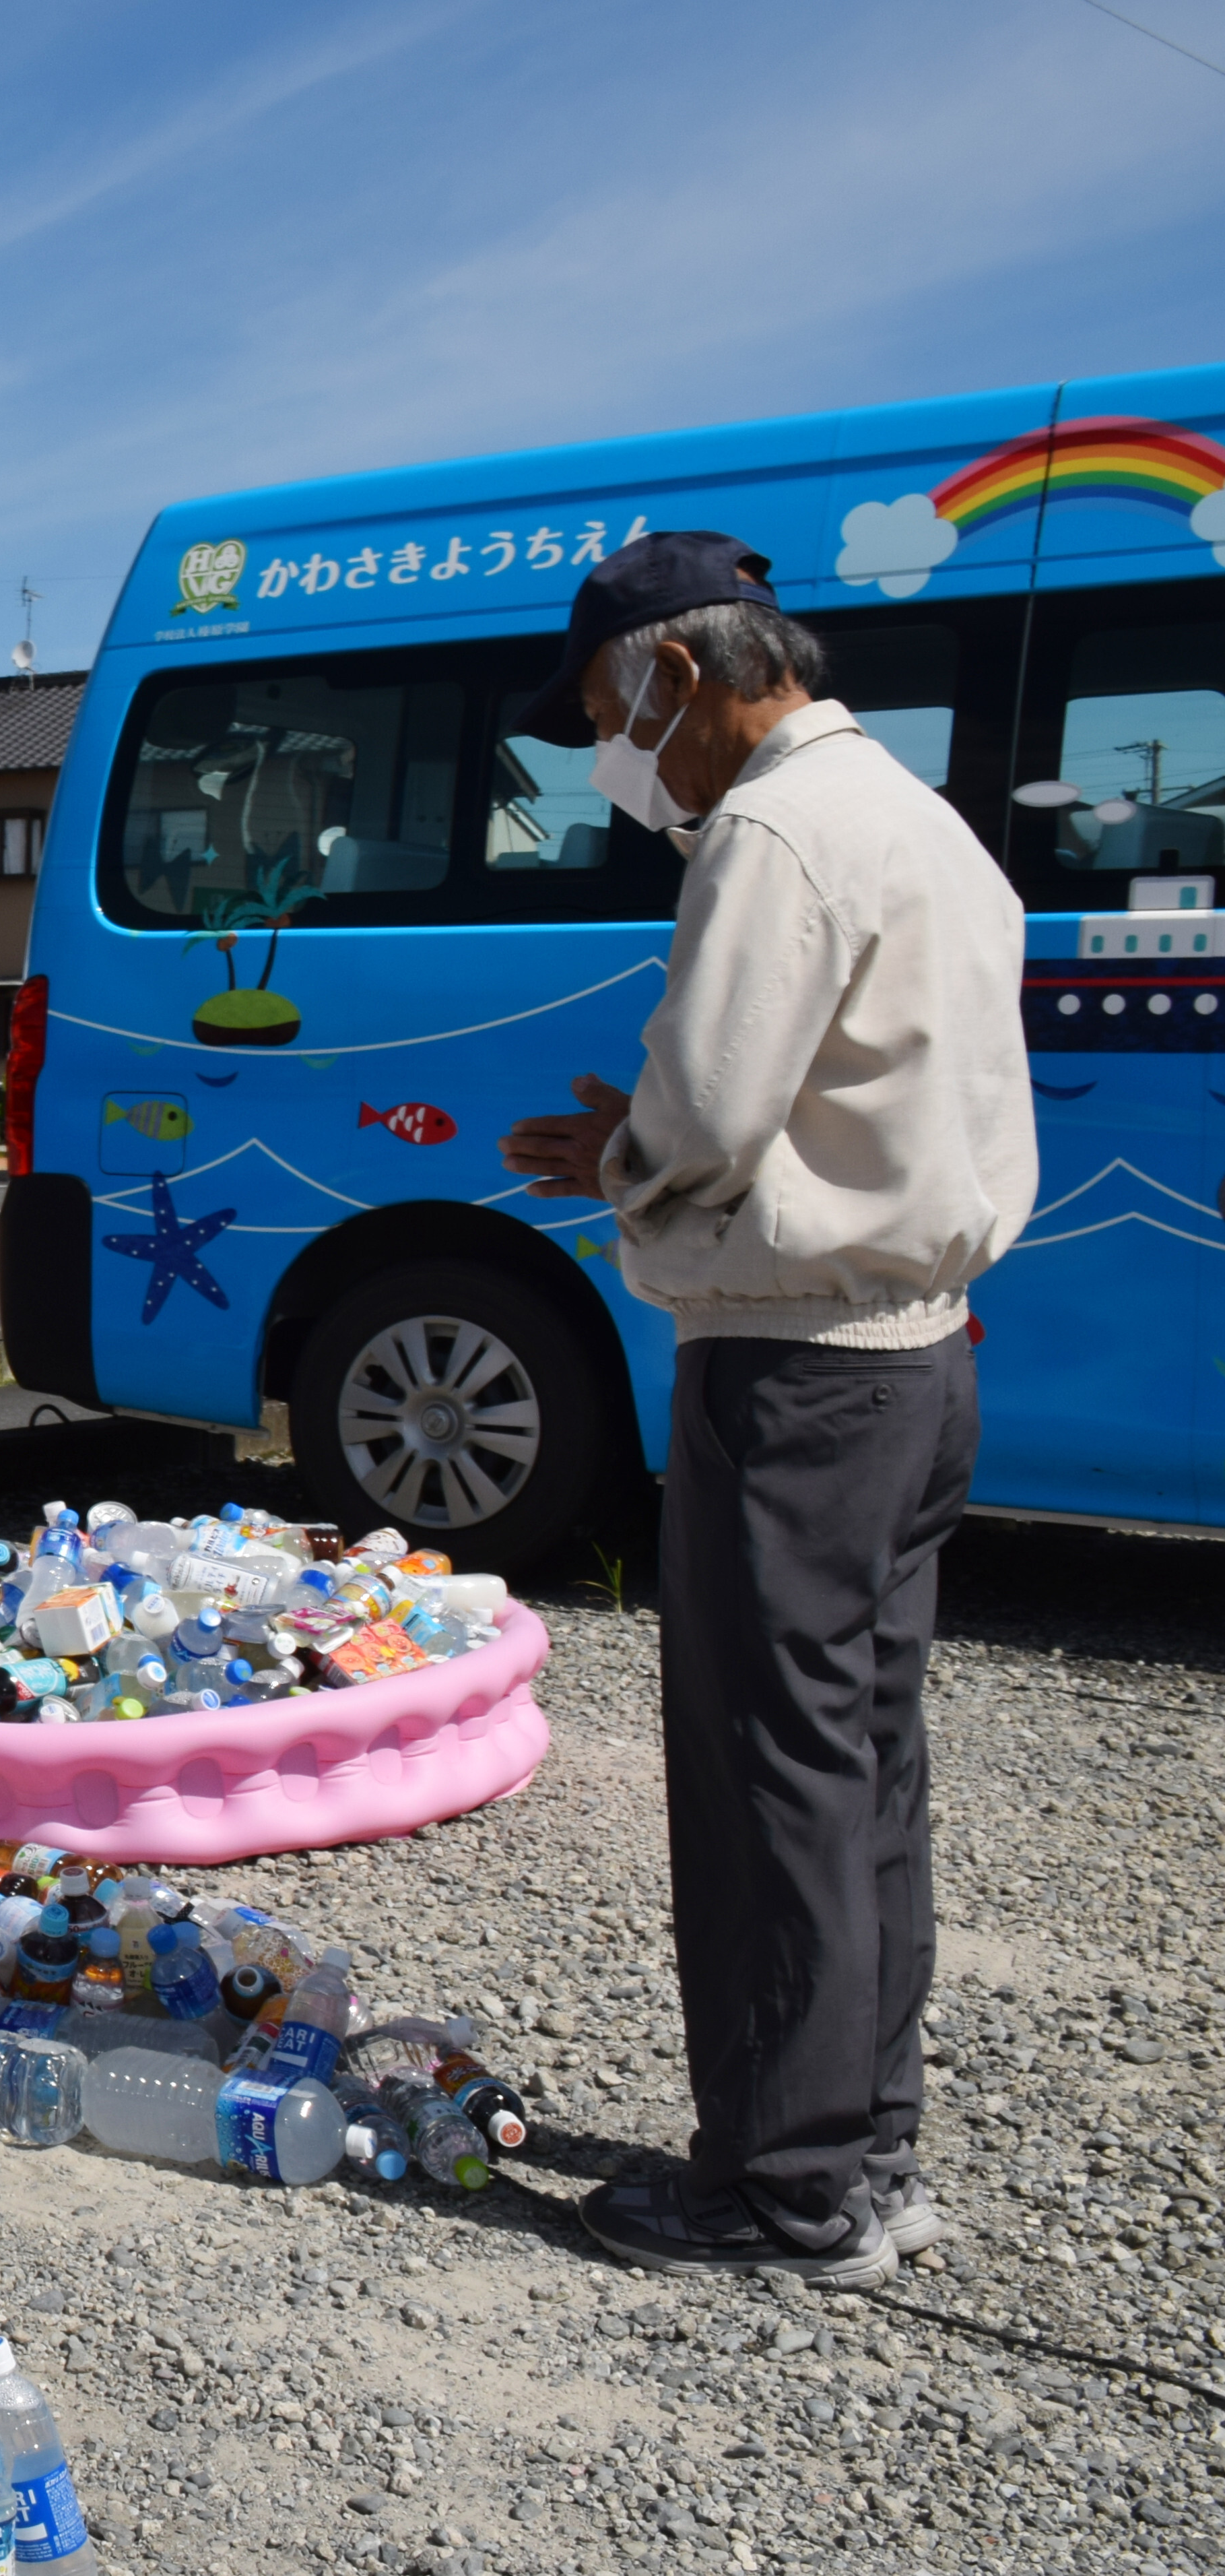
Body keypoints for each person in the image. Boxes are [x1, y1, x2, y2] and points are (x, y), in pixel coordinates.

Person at [498, 532, 1033, 2286]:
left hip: (795, 1365)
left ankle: (783, 2184)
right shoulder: (920, 814)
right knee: (864, 1760)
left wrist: (620, 1156)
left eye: (604, 711)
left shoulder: (774, 832)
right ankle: (861, 2140)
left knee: (764, 1771)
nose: (607, 753)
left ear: (675, 675)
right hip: (922, 1343)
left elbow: (710, 1110)